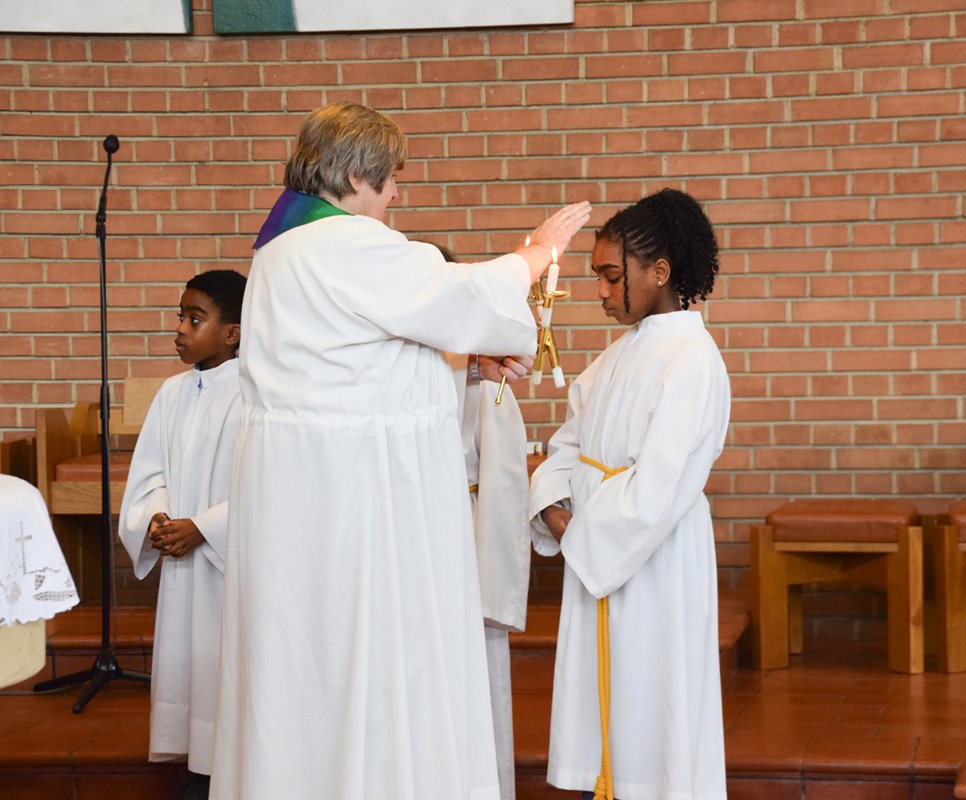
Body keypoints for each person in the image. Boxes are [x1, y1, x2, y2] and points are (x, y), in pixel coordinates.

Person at [210, 101, 590, 800]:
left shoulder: (280, 252)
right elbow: (462, 295)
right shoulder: (348, 245)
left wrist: (464, 365)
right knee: (375, 659)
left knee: (309, 671)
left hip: (299, 500)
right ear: (358, 175)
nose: (396, 192)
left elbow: (359, 369)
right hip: (357, 504)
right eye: (392, 177)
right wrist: (535, 251)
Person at [528, 189, 730, 800]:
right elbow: (569, 443)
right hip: (600, 552)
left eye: (612, 277)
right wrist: (550, 499)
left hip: (653, 560)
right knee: (604, 722)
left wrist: (576, 529)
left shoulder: (691, 359)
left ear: (659, 271)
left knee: (653, 707)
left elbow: (660, 486)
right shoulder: (618, 355)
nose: (600, 292)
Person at [117, 269, 247, 800]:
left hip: (228, 562)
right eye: (180, 317)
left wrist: (205, 528)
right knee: (190, 668)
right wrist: (157, 518)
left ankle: (234, 772)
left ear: (233, 333)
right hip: (182, 556)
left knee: (227, 664)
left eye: (195, 319)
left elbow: (270, 483)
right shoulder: (172, 394)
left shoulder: (257, 391)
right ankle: (200, 769)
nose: (179, 329)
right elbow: (149, 473)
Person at [438, 245, 533, 800]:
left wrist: (494, 578)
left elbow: (503, 476)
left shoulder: (480, 374)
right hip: (400, 549)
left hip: (462, 550)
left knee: (468, 682)